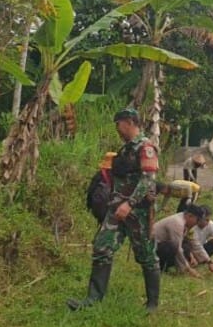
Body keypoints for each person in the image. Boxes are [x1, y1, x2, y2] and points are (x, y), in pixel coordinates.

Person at [67, 108, 163, 312]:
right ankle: (93, 299)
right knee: (102, 247)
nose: (117, 129)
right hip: (116, 210)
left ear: (129, 122)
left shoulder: (146, 148)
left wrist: (129, 204)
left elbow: (148, 181)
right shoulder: (125, 149)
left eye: (118, 123)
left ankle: (152, 303)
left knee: (146, 255)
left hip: (138, 212)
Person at [153, 206, 205, 277]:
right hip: (152, 248)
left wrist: (208, 261)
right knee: (173, 246)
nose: (196, 223)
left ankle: (180, 269)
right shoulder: (177, 223)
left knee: (186, 246)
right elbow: (178, 249)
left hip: (160, 245)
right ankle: (159, 267)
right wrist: (188, 269)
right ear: (190, 216)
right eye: (197, 220)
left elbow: (194, 242)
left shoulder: (184, 220)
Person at [187, 206, 213, 273]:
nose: (208, 222)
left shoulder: (212, 225)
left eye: (208, 219)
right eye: (206, 219)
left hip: (201, 249)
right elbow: (188, 244)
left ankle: (200, 260)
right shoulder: (192, 226)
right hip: (191, 249)